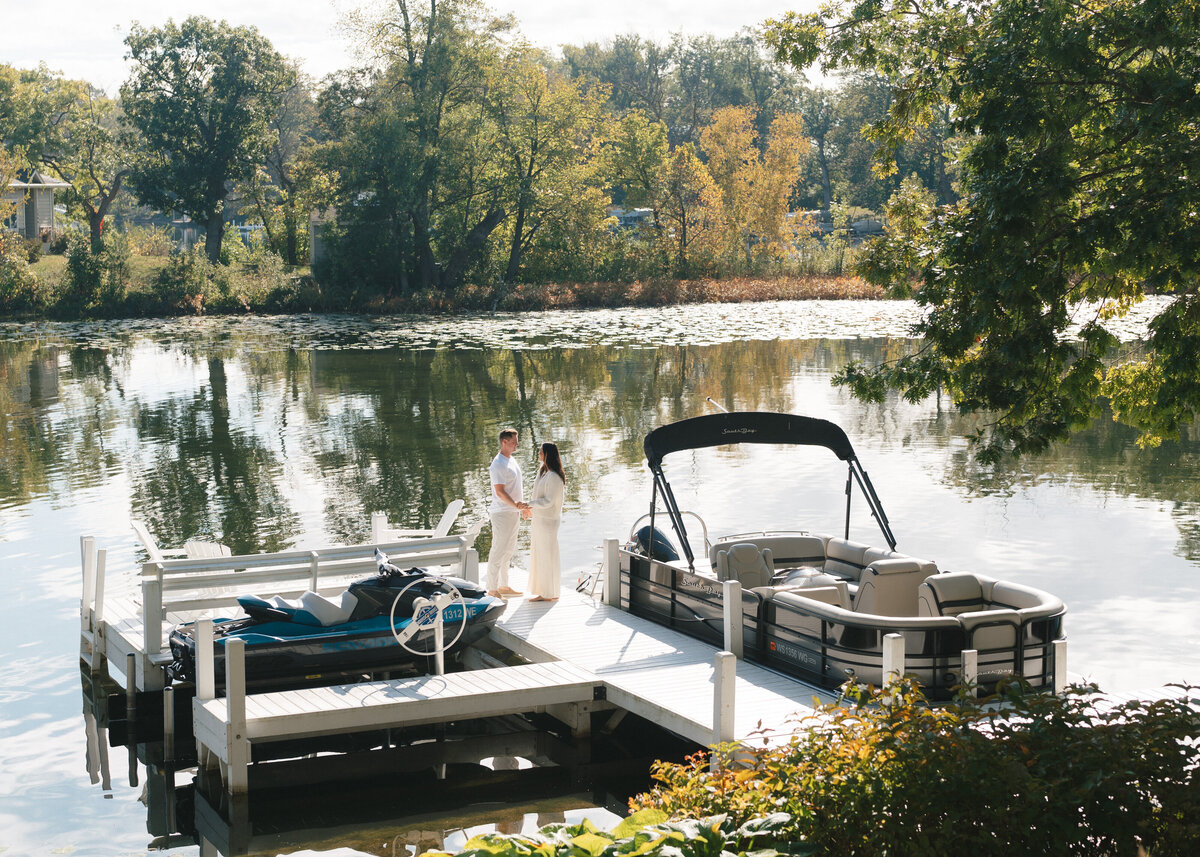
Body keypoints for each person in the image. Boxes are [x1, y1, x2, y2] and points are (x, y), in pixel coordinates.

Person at [487, 428, 527, 598]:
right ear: (504, 442)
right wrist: (516, 505)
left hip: (513, 512)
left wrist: (521, 508)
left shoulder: (511, 460)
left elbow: (515, 488)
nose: (517, 445)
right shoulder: (498, 464)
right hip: (502, 513)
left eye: (517, 442)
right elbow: (500, 492)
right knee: (498, 550)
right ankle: (492, 589)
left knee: (508, 551)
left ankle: (503, 586)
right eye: (513, 442)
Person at [525, 442, 565, 602]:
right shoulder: (543, 471)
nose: (538, 453)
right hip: (539, 519)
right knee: (540, 555)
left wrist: (529, 504)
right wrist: (529, 508)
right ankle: (545, 590)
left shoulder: (554, 476)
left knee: (547, 555)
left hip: (548, 522)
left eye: (541, 451)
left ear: (548, 454)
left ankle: (549, 593)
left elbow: (548, 501)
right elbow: (537, 495)